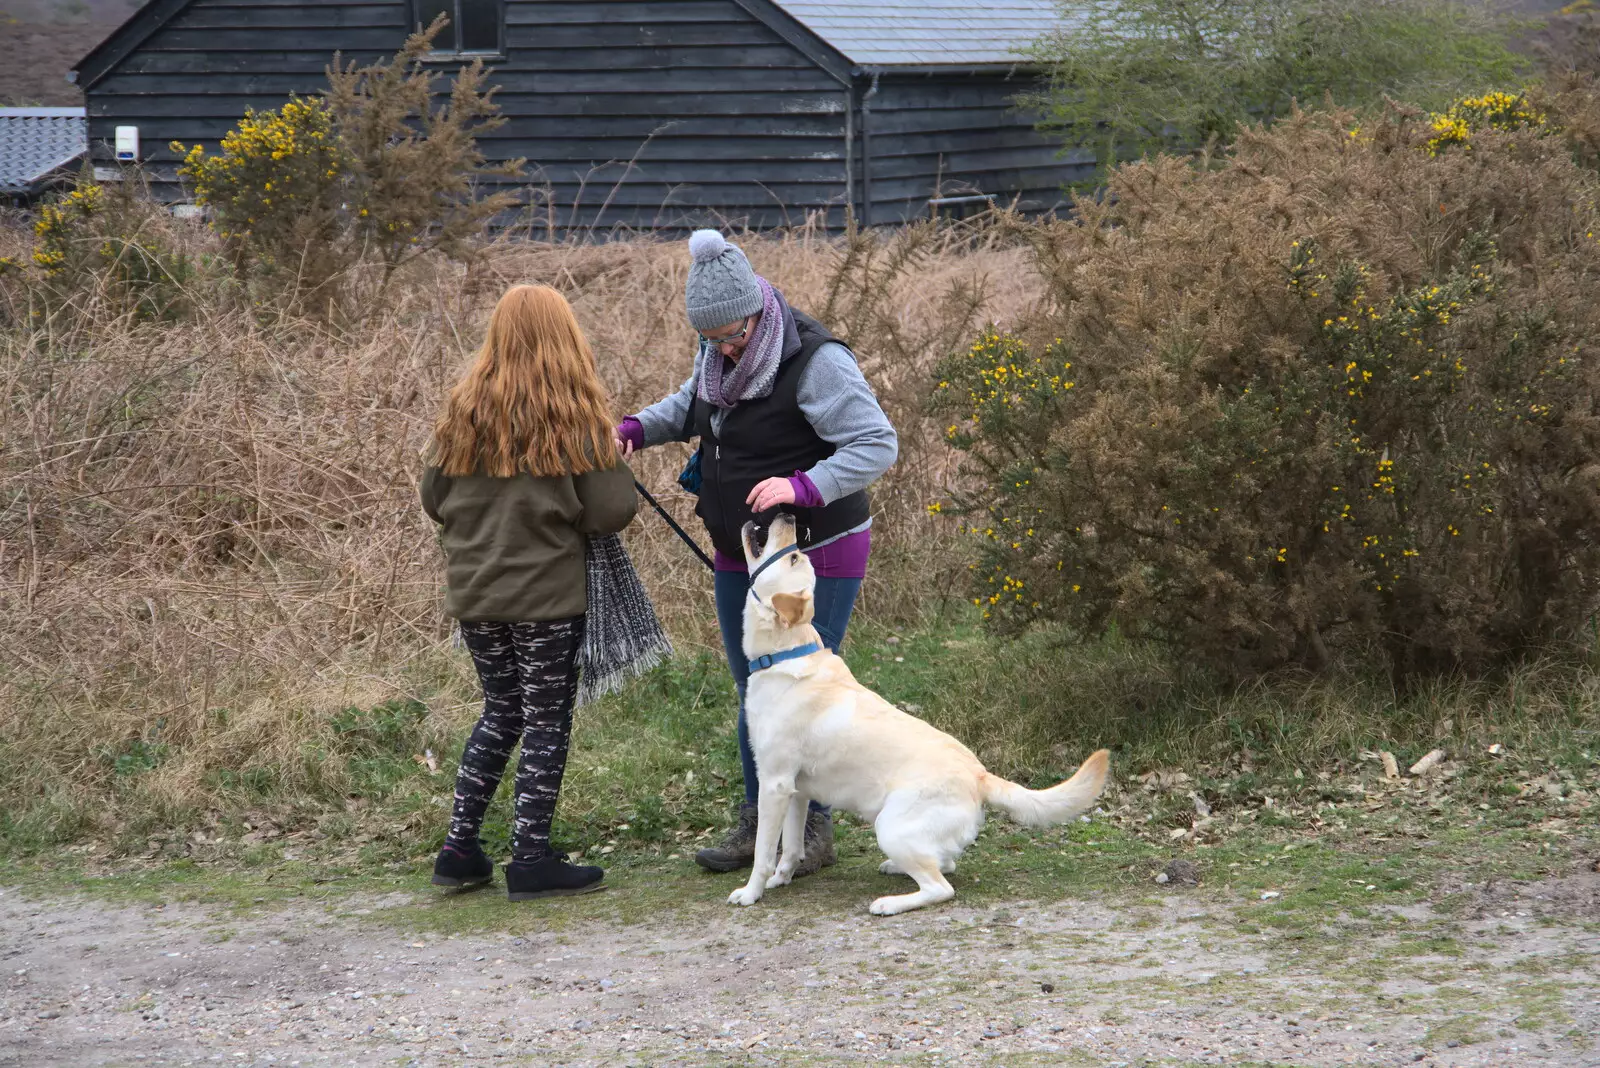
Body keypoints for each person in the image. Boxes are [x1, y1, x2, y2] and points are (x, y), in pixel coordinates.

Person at [616, 229, 898, 877]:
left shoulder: (815, 360)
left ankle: (815, 833)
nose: (723, 349)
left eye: (732, 335)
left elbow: (876, 445)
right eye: (711, 340)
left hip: (816, 547)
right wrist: (635, 429)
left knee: (804, 694)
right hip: (739, 545)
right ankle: (757, 826)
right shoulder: (717, 352)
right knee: (756, 692)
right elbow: (694, 405)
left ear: (758, 310)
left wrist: (803, 486)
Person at [422, 284, 637, 901]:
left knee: (501, 711)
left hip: (476, 595)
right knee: (545, 719)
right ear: (564, 340)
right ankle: (531, 859)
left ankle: (459, 851)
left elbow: (433, 500)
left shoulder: (462, 412)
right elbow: (610, 512)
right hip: (546, 600)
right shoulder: (573, 420)